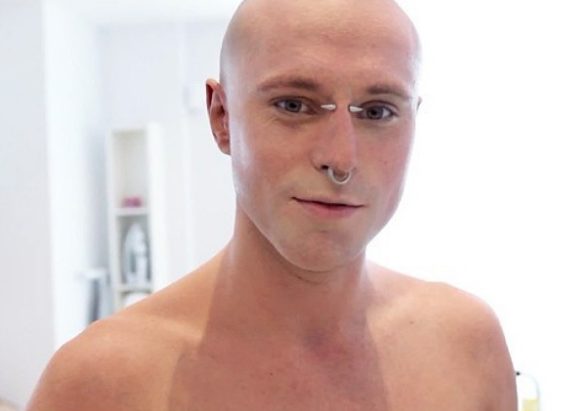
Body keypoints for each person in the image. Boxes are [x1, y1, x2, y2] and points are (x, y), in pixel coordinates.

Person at [26, 0, 517, 409]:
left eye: (377, 111)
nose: (340, 159)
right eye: (294, 105)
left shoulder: (467, 347)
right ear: (222, 118)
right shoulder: (99, 384)